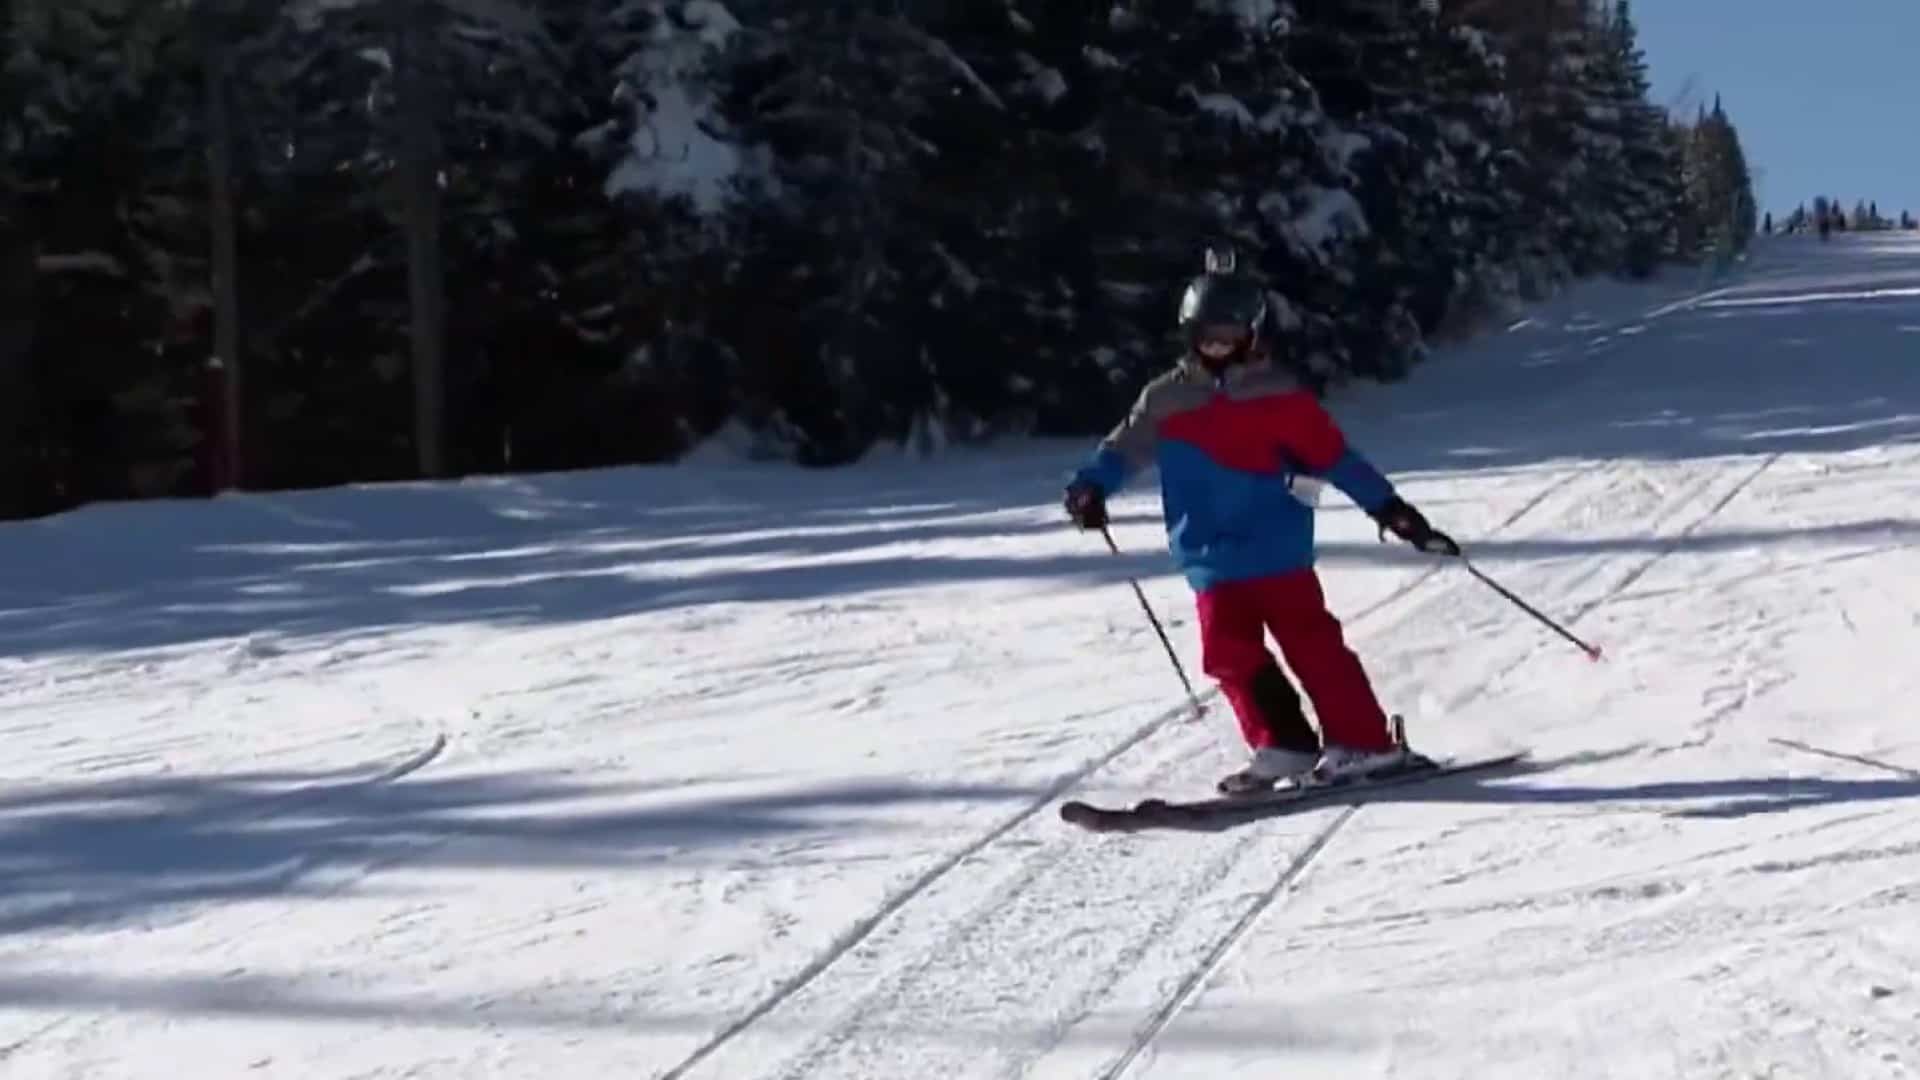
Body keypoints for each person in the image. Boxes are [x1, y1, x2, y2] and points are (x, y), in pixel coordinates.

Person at [1062, 247, 1460, 794]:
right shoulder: (1166, 398)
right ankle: (1284, 745)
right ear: (1189, 332)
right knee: (1227, 654)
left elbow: (1336, 458)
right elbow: (1122, 448)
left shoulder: (1280, 397)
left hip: (1277, 550)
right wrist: (1090, 488)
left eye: (1228, 335)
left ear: (1252, 334)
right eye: (1207, 334)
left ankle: (1364, 743)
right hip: (1207, 554)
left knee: (1314, 648)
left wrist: (1390, 509)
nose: (1217, 346)